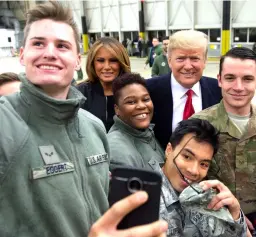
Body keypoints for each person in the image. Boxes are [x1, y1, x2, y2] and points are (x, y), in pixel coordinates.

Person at [0, 2, 167, 237]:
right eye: (38, 43)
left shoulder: (94, 127)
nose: (50, 52)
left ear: (77, 59)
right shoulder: (5, 123)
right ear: (22, 54)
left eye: (62, 45)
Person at [191, 47, 256, 231]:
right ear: (219, 80)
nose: (238, 87)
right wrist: (226, 210)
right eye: (230, 78)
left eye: (247, 79)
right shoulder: (198, 125)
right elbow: (189, 177)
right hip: (215, 221)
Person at [149, 118, 248, 237]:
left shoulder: (206, 198)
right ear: (169, 150)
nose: (194, 171)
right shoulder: (143, 197)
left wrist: (235, 213)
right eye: (187, 157)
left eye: (203, 164)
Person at [146, 30, 222, 149]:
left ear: (205, 60)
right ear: (169, 60)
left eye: (194, 59)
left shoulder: (219, 90)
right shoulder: (149, 91)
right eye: (181, 59)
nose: (187, 66)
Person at [107, 72, 164, 170]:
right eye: (131, 102)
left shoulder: (146, 133)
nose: (141, 106)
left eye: (146, 99)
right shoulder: (117, 150)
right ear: (117, 109)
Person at [77, 37, 131, 132]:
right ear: (92, 63)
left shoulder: (133, 91)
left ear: (121, 63)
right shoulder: (79, 94)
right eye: (100, 60)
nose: (107, 67)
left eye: (113, 60)